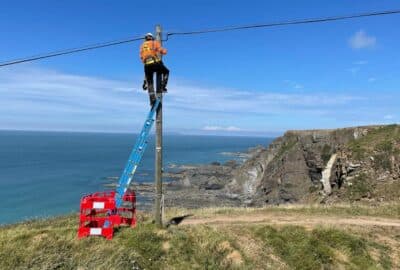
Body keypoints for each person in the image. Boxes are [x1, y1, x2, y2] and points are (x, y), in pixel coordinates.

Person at [140, 33, 169, 106]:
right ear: (152, 38)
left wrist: (144, 81)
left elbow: (141, 57)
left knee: (150, 83)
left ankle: (152, 100)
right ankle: (163, 87)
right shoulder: (154, 43)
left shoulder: (142, 46)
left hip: (146, 65)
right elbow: (162, 51)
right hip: (155, 64)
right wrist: (165, 51)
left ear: (145, 38)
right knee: (166, 71)